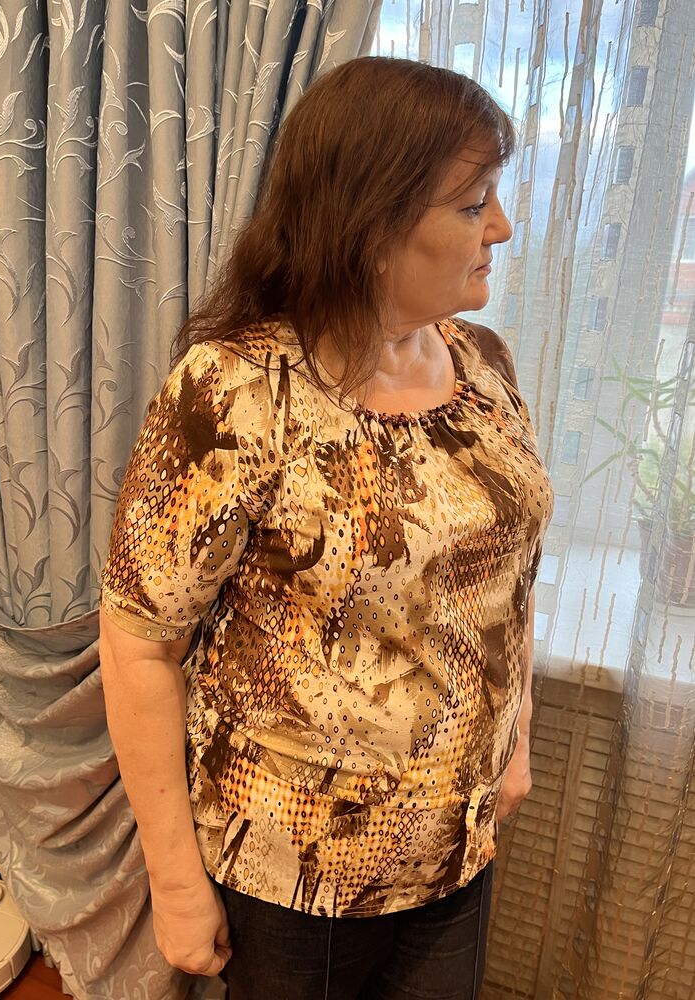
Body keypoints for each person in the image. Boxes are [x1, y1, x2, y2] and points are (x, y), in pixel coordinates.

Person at [98, 56, 554, 1000]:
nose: (502, 228)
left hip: (455, 853)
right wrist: (175, 883)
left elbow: (507, 579)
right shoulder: (234, 393)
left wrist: (515, 737)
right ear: (373, 225)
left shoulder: (485, 364)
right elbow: (139, 644)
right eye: (473, 205)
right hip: (293, 880)